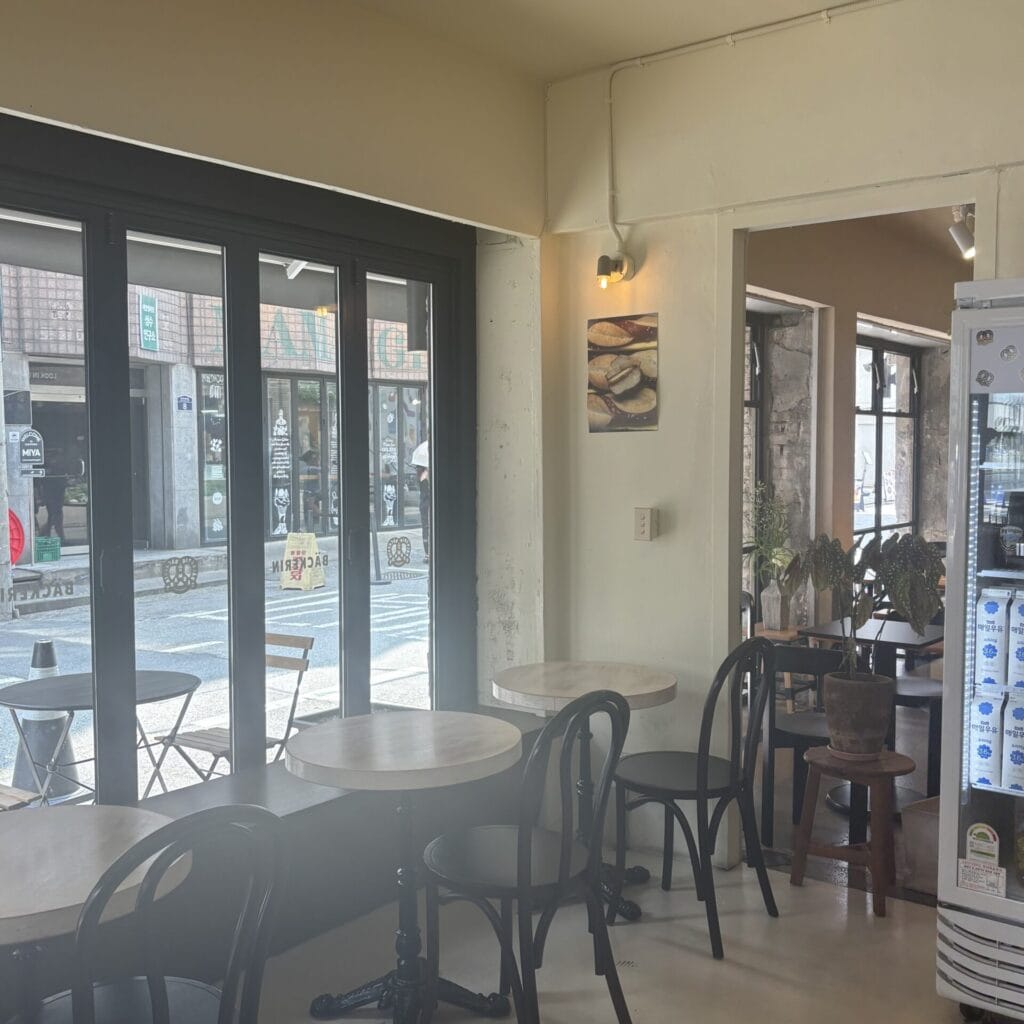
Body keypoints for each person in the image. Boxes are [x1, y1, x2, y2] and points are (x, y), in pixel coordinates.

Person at [36, 450, 68, 542]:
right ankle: (58, 537)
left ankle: (47, 535)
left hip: (54, 494)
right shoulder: (54, 467)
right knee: (56, 515)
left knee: (53, 516)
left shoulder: (54, 467)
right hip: (53, 495)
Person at [410, 440, 430, 562]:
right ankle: (428, 553)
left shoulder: (423, 473)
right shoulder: (424, 474)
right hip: (426, 504)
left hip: (425, 504)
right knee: (426, 527)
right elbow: (423, 483)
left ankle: (428, 553)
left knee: (426, 527)